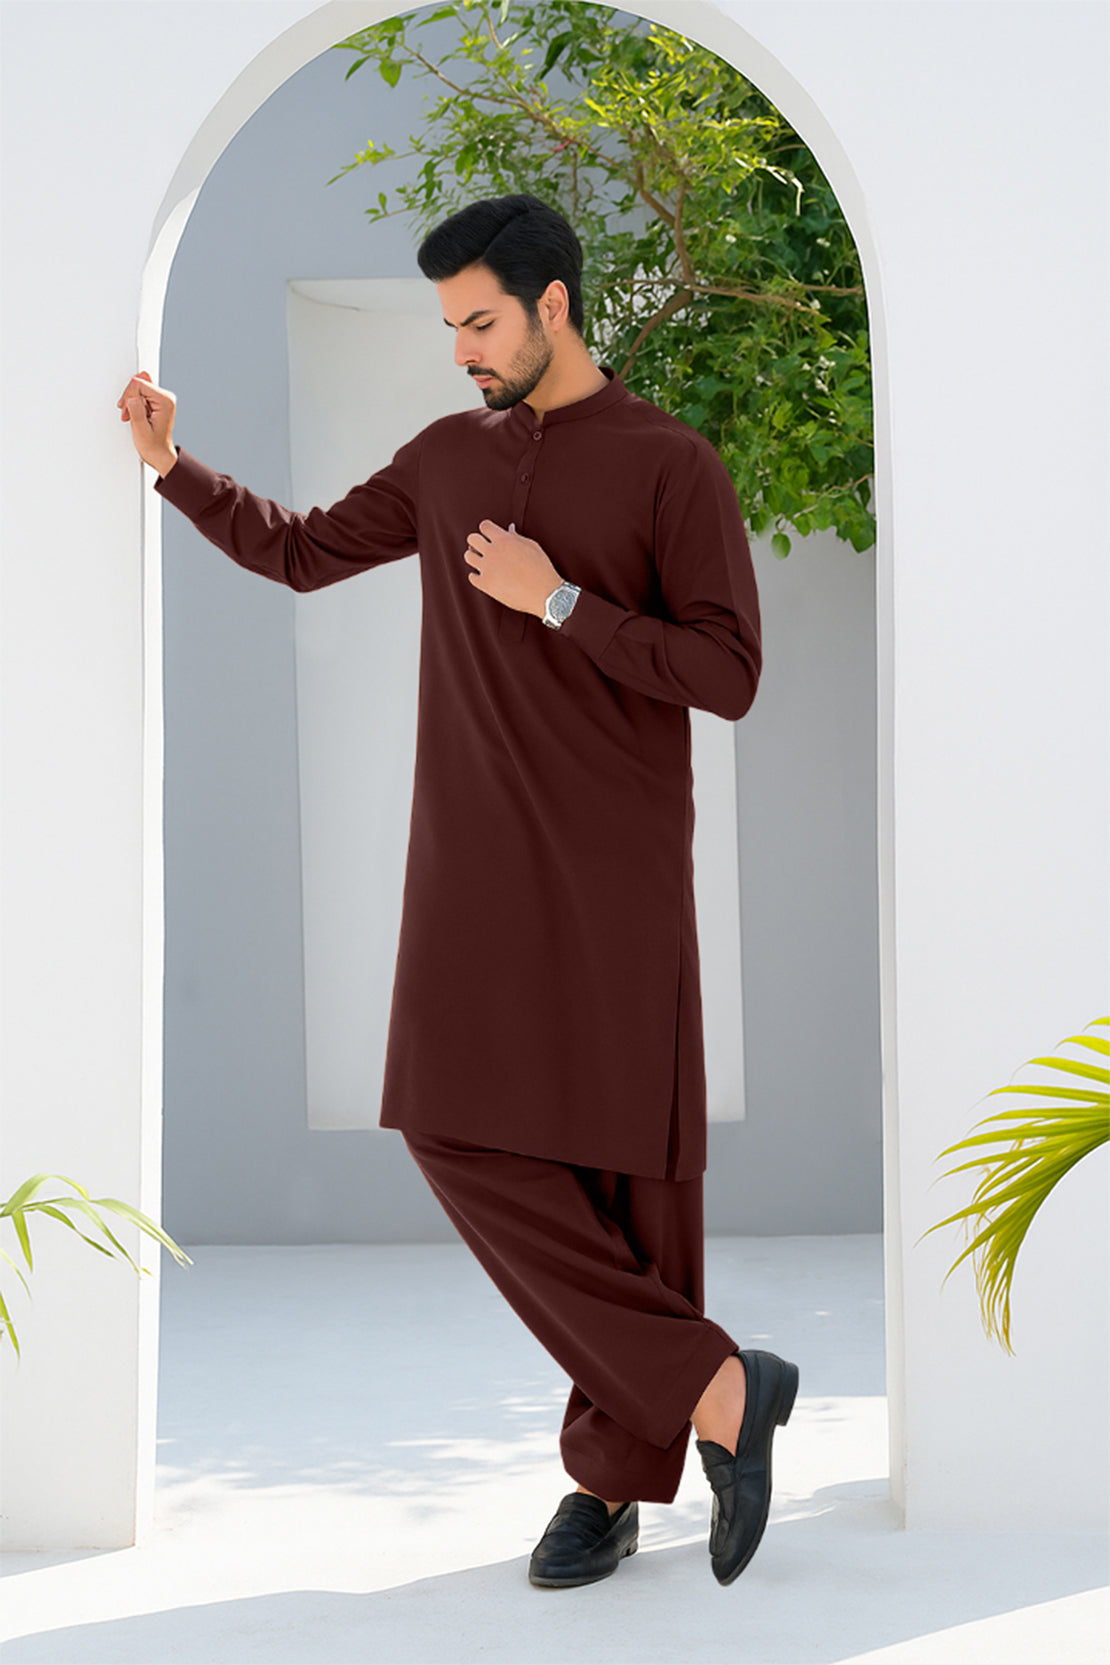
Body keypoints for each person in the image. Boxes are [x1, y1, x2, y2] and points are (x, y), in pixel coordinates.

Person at [118, 193, 797, 1590]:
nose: (461, 350)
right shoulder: (447, 458)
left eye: (479, 321)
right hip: (473, 872)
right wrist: (173, 466)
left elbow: (726, 674)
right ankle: (718, 1385)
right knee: (451, 1129)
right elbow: (302, 551)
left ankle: (608, 1482)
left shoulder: (670, 464)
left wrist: (559, 602)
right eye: (448, 326)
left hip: (615, 878)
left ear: (554, 305)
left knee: (626, 1169)